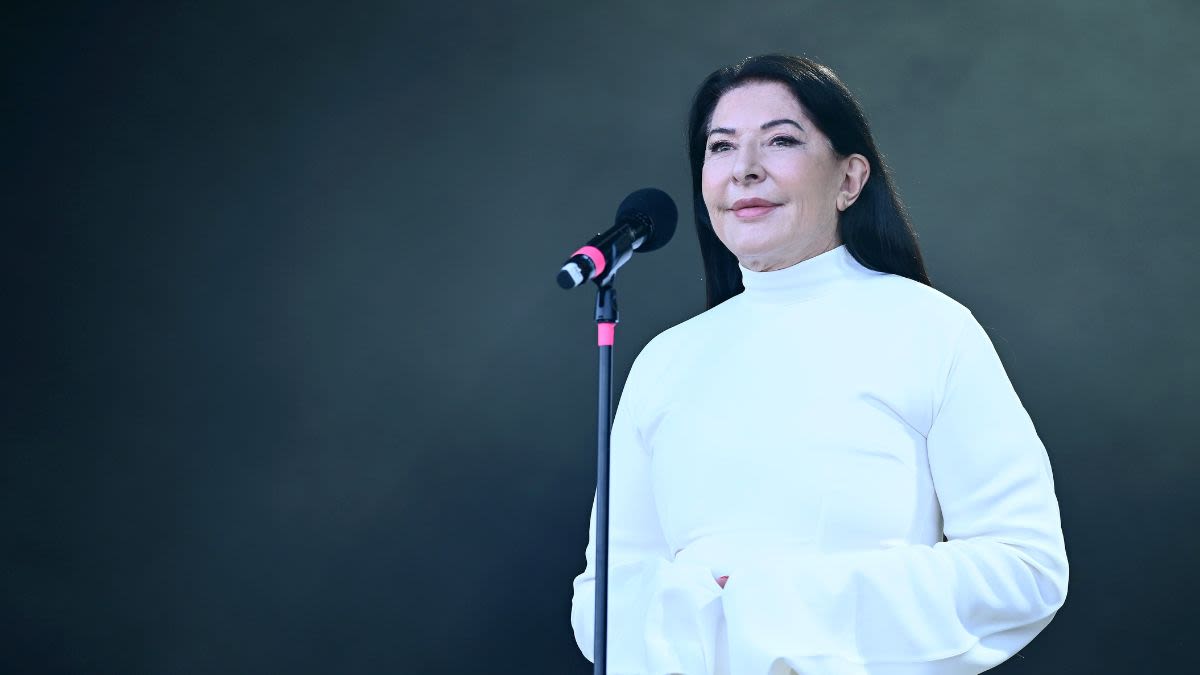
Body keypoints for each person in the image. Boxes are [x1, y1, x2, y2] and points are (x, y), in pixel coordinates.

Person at [569, 54, 1069, 675]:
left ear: (850, 179)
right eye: (721, 147)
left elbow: (1025, 567)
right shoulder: (665, 360)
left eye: (780, 140)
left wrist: (771, 601)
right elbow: (603, 597)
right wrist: (706, 619)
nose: (745, 170)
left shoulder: (930, 329)